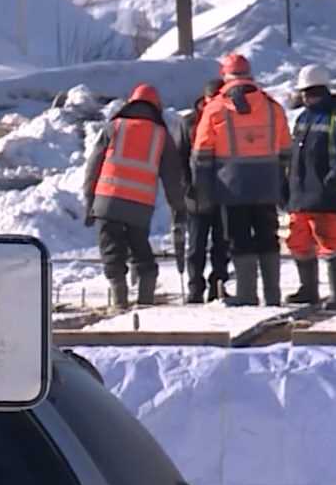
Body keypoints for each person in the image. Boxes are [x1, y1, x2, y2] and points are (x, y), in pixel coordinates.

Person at [192, 53, 291, 306]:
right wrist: (282, 182)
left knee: (239, 238)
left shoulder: (215, 108)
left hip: (231, 186)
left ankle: (247, 294)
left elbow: (201, 153)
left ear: (225, 77)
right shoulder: (272, 107)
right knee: (268, 236)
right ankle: (273, 294)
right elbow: (286, 150)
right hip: (267, 183)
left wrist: (203, 190)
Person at [82, 83, 187, 309]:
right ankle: (145, 301)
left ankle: (119, 303)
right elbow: (171, 177)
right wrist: (178, 207)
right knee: (140, 250)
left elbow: (93, 167)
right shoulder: (161, 135)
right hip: (139, 207)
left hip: (107, 202)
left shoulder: (114, 127)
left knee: (111, 250)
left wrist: (89, 201)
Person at [284, 65, 336, 309]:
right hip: (301, 193)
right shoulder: (303, 118)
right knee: (298, 241)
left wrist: (333, 180)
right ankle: (309, 290)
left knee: (332, 242)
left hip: (325, 195)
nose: (305, 97)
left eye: (308, 92)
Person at [176, 78, 231, 303]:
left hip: (224, 192)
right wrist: (186, 185)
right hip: (197, 194)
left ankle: (218, 285)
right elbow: (180, 157)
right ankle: (194, 288)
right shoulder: (189, 122)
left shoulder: (230, 119)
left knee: (222, 244)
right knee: (196, 246)